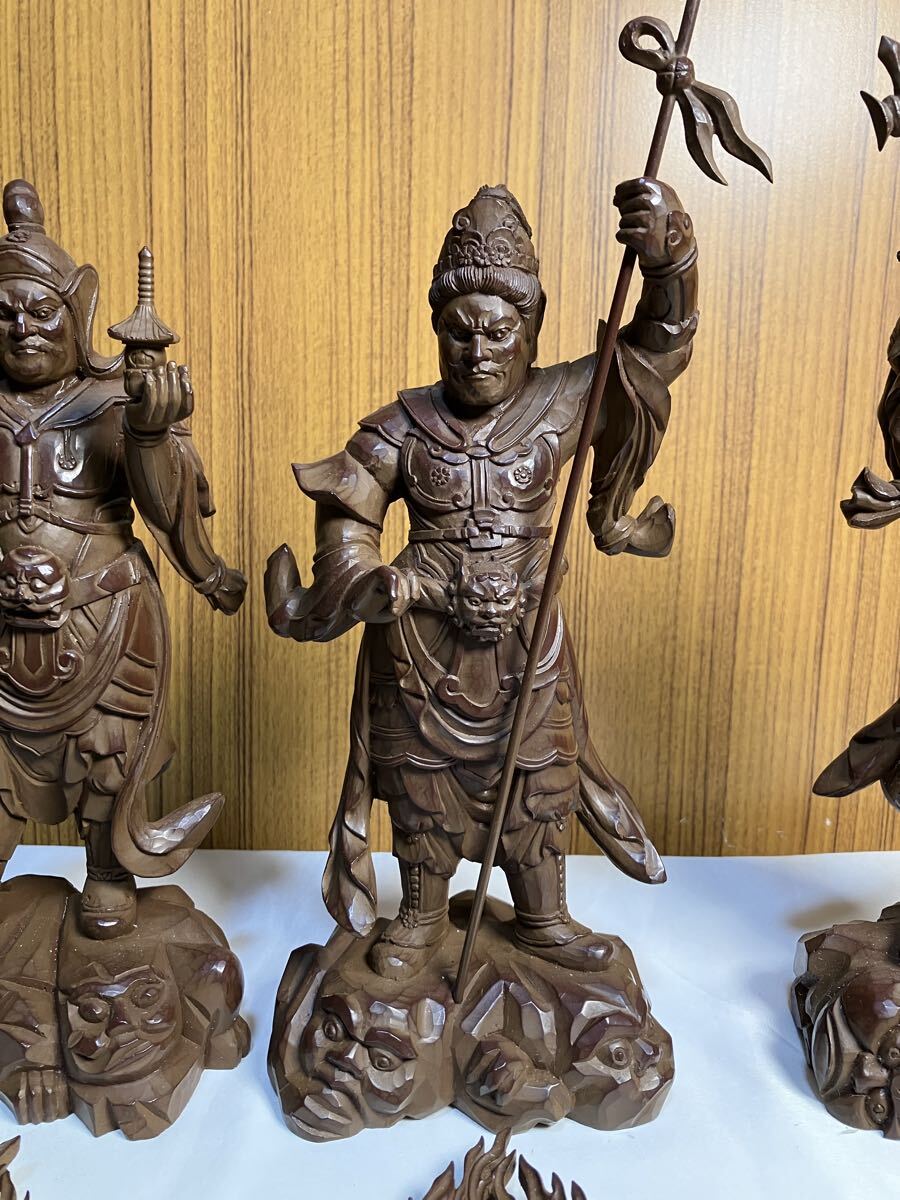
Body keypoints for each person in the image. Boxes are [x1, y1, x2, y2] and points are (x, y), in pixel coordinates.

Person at [267, 178, 698, 980]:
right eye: (459, 332)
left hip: (527, 646)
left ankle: (542, 916)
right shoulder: (402, 427)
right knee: (422, 788)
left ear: (529, 330)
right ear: (437, 329)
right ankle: (421, 914)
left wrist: (670, 259)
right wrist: (370, 578)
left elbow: (654, 354)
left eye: (499, 332)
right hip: (421, 649)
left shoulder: (562, 403)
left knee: (537, 783)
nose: (478, 352)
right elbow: (348, 515)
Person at [0, 179, 245, 939]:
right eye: (4, 313)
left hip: (102, 617)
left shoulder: (111, 400)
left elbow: (166, 508)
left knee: (105, 752)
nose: (22, 328)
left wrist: (149, 436)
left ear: (76, 316)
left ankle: (107, 872)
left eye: (41, 311)